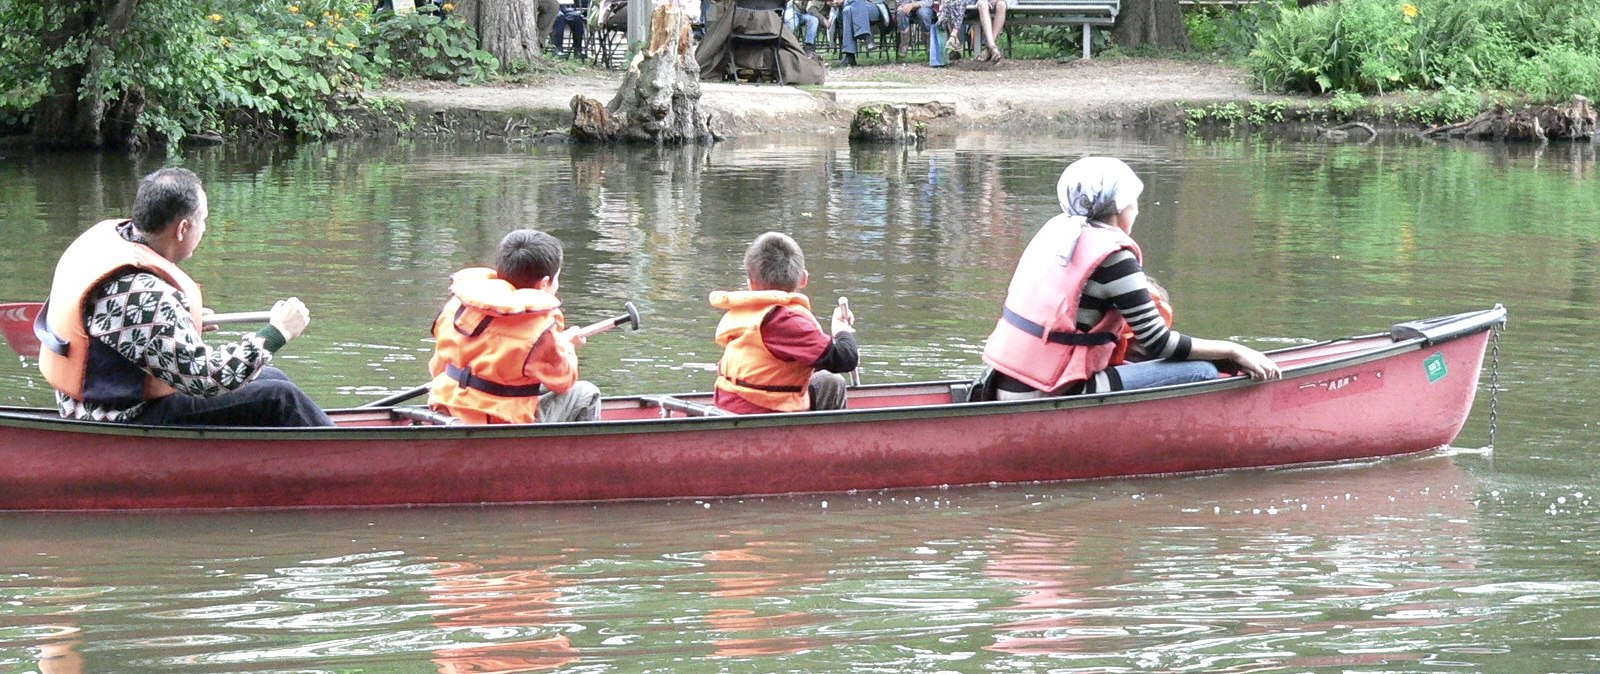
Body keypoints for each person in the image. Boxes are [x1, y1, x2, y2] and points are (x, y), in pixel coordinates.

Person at [37, 167, 332, 427]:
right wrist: (277, 332)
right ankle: (343, 457)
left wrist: (182, 323)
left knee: (273, 378)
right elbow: (208, 380)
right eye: (203, 220)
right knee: (282, 398)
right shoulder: (145, 294)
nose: (205, 228)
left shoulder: (106, 243)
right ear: (183, 229)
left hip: (88, 402)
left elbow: (125, 327)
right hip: (118, 417)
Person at [980, 157, 1280, 400]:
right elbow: (1159, 342)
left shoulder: (1057, 235)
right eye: (1135, 203)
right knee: (1202, 372)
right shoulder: (1116, 258)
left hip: (999, 382)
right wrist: (1232, 350)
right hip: (1052, 390)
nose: (1136, 211)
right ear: (1122, 207)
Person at [428, 229, 601, 424]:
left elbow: (437, 368)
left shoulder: (457, 307)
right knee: (586, 393)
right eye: (557, 278)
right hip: (498, 423)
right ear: (544, 284)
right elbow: (564, 381)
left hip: (446, 412)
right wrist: (566, 347)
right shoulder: (539, 330)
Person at [710, 232, 858, 414]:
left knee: (828, 380)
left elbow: (813, 357)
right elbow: (845, 359)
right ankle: (829, 441)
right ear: (804, 279)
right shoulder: (785, 321)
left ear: (751, 285)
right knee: (834, 383)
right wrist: (842, 331)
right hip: (763, 409)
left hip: (729, 402)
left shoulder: (747, 313)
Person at [894, 0, 946, 67]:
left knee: (923, 13)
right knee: (901, 11)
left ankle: (929, 45)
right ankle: (904, 43)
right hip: (908, 7)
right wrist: (906, 5)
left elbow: (929, 2)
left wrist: (914, 5)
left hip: (926, 7)